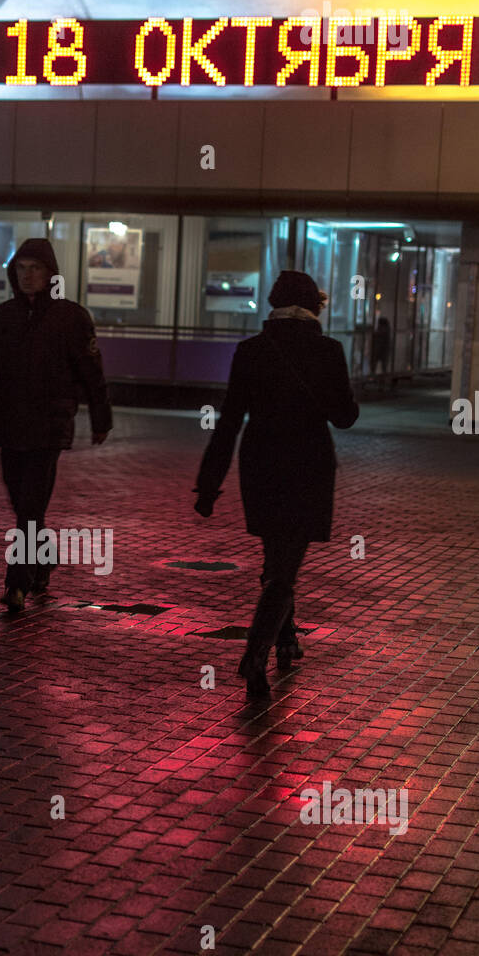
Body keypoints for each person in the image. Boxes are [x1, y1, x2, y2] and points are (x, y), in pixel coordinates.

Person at [194, 269, 359, 700]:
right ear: (314, 307)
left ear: (273, 304)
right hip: (309, 466)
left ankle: (285, 639)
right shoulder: (328, 351)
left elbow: (228, 421)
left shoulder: (250, 351)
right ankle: (255, 654)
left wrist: (208, 485)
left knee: (276, 558)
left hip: (261, 465)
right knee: (285, 569)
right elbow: (345, 416)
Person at [0, 238, 112, 613]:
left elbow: (92, 372)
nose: (27, 276)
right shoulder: (4, 316)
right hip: (9, 425)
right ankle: (44, 558)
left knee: (28, 508)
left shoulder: (71, 317)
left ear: (49, 273)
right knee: (22, 504)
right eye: (21, 268)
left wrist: (100, 417)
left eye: (35, 268)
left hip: (49, 426)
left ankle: (16, 583)